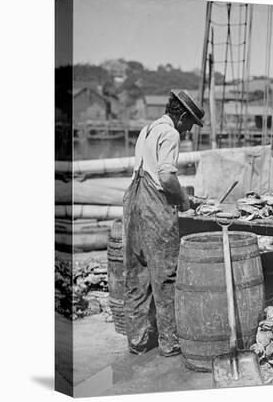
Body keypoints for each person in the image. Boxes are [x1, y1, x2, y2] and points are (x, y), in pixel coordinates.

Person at [123, 90, 205, 355]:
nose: (189, 129)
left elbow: (147, 170)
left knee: (137, 274)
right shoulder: (170, 133)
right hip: (153, 207)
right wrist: (183, 200)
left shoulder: (148, 129)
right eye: (190, 122)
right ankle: (169, 342)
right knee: (166, 275)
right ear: (181, 115)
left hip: (133, 202)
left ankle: (137, 341)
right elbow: (167, 177)